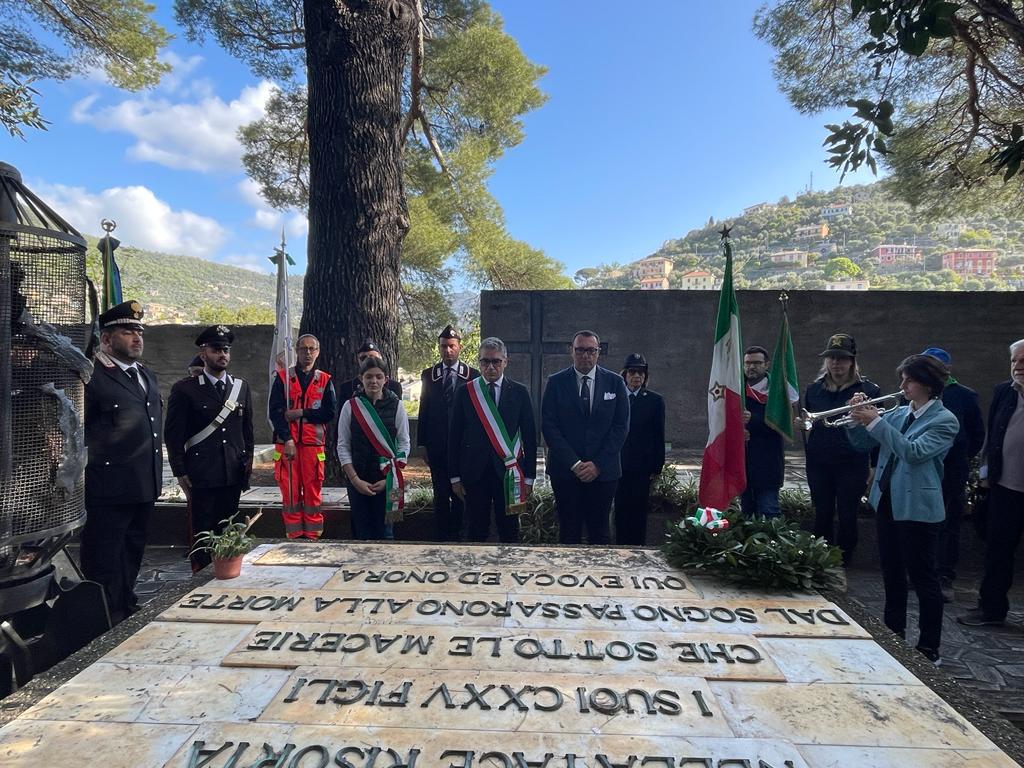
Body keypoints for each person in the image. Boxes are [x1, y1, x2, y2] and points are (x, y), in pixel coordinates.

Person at [847, 354, 959, 663]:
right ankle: (893, 635)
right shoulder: (898, 413)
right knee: (891, 574)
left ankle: (929, 647)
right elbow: (863, 444)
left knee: (924, 579)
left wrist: (875, 421)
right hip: (888, 502)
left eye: (909, 380)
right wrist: (856, 418)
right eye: (903, 379)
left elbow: (913, 452)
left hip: (918, 508)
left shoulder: (944, 420)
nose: (902, 386)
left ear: (928, 384)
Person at [80, 300, 162, 623]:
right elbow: (78, 430)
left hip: (143, 484)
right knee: (104, 558)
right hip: (108, 489)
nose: (137, 337)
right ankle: (102, 618)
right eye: (127, 332)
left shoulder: (145, 375)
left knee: (132, 551)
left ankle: (125, 605)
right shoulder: (92, 376)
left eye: (139, 331)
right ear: (106, 339)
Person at [165, 325, 254, 572]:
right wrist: (179, 470)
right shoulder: (186, 389)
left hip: (231, 472)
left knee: (229, 529)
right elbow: (174, 435)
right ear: (203, 354)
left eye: (226, 350)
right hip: (201, 473)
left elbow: (247, 431)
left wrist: (247, 464)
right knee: (203, 532)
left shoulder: (241, 387)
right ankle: (201, 577)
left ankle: (227, 573)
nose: (222, 354)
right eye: (216, 350)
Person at [541, 330, 630, 545]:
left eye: (591, 350)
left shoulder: (615, 382)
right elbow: (549, 427)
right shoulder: (555, 382)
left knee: (600, 533)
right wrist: (575, 463)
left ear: (598, 352)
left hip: (604, 472)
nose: (585, 355)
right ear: (571, 351)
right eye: (580, 350)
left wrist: (597, 464)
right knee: (568, 532)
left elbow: (621, 427)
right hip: (566, 472)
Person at [958, 338, 1024, 627]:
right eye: (1014, 361)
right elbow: (992, 435)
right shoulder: (1003, 392)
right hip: (1005, 487)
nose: (1018, 366)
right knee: (997, 551)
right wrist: (984, 475)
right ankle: (991, 609)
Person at [801, 333, 881, 565]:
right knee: (822, 512)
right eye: (831, 358)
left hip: (852, 461)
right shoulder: (813, 390)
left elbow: (878, 430)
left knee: (847, 514)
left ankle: (845, 560)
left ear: (852, 361)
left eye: (842, 358)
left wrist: (874, 465)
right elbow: (811, 421)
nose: (836, 363)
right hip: (819, 461)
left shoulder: (869, 390)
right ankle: (821, 559)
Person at [448, 337, 537, 543]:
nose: (490, 367)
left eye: (496, 361)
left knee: (509, 530)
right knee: (476, 530)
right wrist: (454, 477)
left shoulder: (520, 392)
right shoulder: (465, 392)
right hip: (474, 472)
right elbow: (454, 437)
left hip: (509, 472)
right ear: (479, 362)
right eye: (485, 361)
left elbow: (530, 437)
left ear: (505, 361)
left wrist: (529, 478)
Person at [920, 347, 985, 600]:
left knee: (948, 524)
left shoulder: (964, 396)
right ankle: (920, 571)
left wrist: (960, 457)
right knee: (921, 521)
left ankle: (944, 575)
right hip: (922, 469)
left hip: (952, 469)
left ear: (947, 370)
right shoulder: (913, 394)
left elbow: (976, 434)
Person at [268, 334, 336, 540]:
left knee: (313, 490)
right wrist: (287, 438)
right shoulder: (283, 378)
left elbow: (329, 413)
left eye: (312, 349)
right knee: (290, 492)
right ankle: (294, 534)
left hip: (313, 446)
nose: (308, 353)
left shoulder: (325, 380)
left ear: (318, 352)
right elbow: (275, 412)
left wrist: (302, 412)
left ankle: (313, 534)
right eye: (303, 348)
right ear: (296, 351)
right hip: (286, 445)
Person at [337, 356, 411, 540]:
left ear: (386, 379)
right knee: (362, 533)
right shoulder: (350, 406)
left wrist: (389, 479)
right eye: (369, 376)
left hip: (390, 480)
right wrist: (355, 480)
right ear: (361, 378)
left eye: (379, 376)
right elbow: (343, 445)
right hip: (358, 479)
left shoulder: (398, 406)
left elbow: (404, 443)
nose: (374, 381)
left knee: (387, 532)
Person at [418, 325, 479, 541]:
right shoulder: (429, 375)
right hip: (437, 446)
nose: (448, 350)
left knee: (461, 492)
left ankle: (460, 535)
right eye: (444, 346)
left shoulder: (472, 375)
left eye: (452, 346)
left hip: (463, 447)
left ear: (459, 347)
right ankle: (442, 536)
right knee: (441, 493)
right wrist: (422, 443)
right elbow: (424, 409)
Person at [614, 353, 665, 545]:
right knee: (620, 510)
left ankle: (637, 548)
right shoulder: (616, 398)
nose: (637, 376)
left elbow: (659, 435)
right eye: (633, 372)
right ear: (625, 374)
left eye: (641, 373)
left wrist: (657, 467)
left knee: (639, 511)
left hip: (642, 467)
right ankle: (620, 547)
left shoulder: (654, 401)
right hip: (619, 464)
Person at [741, 345, 797, 518]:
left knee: (769, 512)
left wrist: (753, 419)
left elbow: (782, 423)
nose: (751, 367)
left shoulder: (778, 391)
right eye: (748, 363)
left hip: (767, 462)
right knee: (746, 515)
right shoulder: (737, 389)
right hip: (742, 463)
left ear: (766, 365)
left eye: (757, 363)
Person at [337, 340, 402, 402]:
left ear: (380, 358)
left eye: (372, 357)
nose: (367, 360)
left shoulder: (394, 386)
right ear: (358, 361)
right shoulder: (347, 388)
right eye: (363, 358)